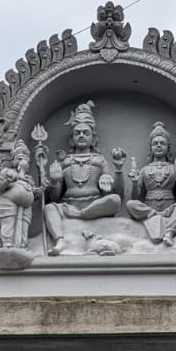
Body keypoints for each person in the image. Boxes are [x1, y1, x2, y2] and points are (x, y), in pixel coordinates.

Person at [38, 101, 123, 255]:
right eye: (77, 133)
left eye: (86, 132)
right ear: (72, 139)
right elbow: (54, 197)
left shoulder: (100, 160)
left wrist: (109, 178)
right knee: (49, 208)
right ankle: (60, 240)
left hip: (94, 205)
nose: (81, 135)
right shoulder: (65, 162)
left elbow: (113, 193)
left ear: (93, 138)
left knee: (115, 200)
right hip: (69, 205)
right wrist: (55, 181)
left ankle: (81, 215)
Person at [126, 121, 176, 245]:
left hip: (169, 208)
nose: (158, 146)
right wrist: (134, 183)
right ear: (151, 148)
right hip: (149, 208)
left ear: (168, 147)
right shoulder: (144, 170)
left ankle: (169, 232)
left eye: (162, 143)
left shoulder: (174, 168)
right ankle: (155, 215)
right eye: (155, 143)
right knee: (130, 204)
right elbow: (135, 198)